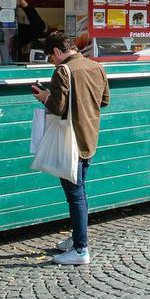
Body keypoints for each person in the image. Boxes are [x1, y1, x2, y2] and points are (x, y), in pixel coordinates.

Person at [33, 31, 110, 266]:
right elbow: (105, 100)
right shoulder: (97, 66)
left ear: (57, 51)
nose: (52, 61)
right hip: (89, 138)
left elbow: (57, 107)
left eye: (51, 57)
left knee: (75, 195)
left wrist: (45, 96)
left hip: (70, 140)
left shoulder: (62, 71)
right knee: (81, 191)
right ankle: (78, 237)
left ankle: (80, 249)